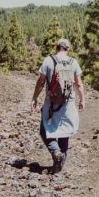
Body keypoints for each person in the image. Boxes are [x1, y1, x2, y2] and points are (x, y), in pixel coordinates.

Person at [31, 38, 85, 173]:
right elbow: (78, 84)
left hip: (51, 103)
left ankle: (56, 153)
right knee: (64, 132)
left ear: (56, 48)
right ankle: (59, 165)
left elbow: (41, 81)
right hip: (68, 104)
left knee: (44, 130)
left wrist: (35, 98)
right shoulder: (73, 62)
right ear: (68, 49)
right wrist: (82, 99)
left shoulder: (49, 60)